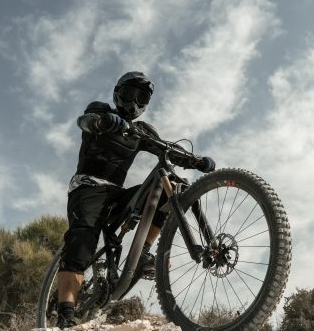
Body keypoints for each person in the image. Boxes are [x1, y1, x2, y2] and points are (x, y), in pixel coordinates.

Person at [56, 71, 216, 329]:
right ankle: (65, 314)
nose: (134, 102)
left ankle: (142, 252)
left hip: (117, 194)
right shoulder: (100, 110)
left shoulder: (141, 131)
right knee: (82, 241)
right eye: (130, 94)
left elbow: (167, 148)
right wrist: (103, 122)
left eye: (141, 98)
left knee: (166, 188)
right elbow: (86, 121)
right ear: (118, 93)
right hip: (87, 188)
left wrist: (195, 161)